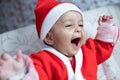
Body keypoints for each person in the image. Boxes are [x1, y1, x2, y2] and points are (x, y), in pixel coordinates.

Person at [0, 0, 120, 80]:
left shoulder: (86, 52)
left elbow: (101, 47)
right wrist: (20, 73)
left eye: (81, 25)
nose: (78, 29)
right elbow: (35, 74)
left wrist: (106, 28)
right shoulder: (43, 60)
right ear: (49, 37)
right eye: (69, 25)